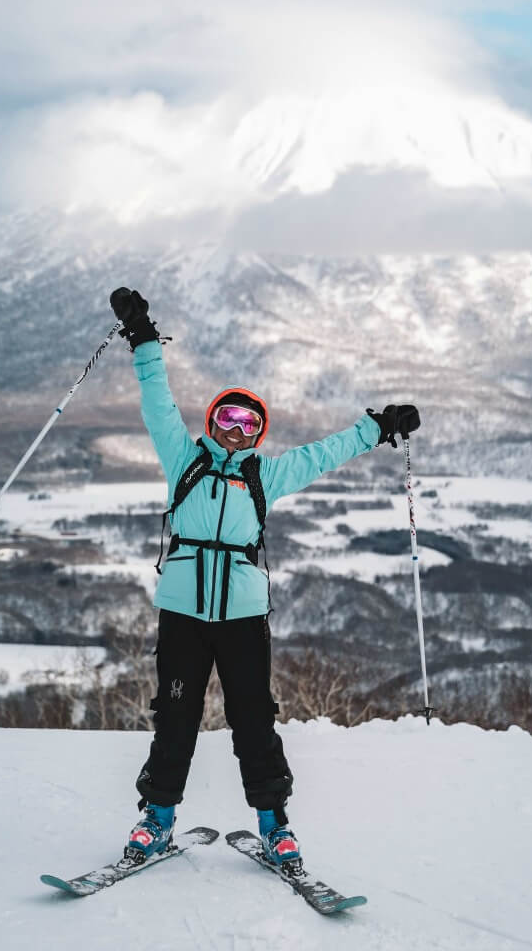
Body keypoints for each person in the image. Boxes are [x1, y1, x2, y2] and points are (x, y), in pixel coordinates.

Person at [109, 286, 420, 871]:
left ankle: (276, 827)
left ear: (259, 433)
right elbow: (157, 401)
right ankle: (157, 819)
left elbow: (326, 453)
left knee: (253, 720)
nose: (235, 428)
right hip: (182, 614)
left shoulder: (266, 477)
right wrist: (144, 337)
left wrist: (378, 427)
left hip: (243, 620)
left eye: (248, 422)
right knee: (175, 717)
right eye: (226, 416)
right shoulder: (184, 459)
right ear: (212, 422)